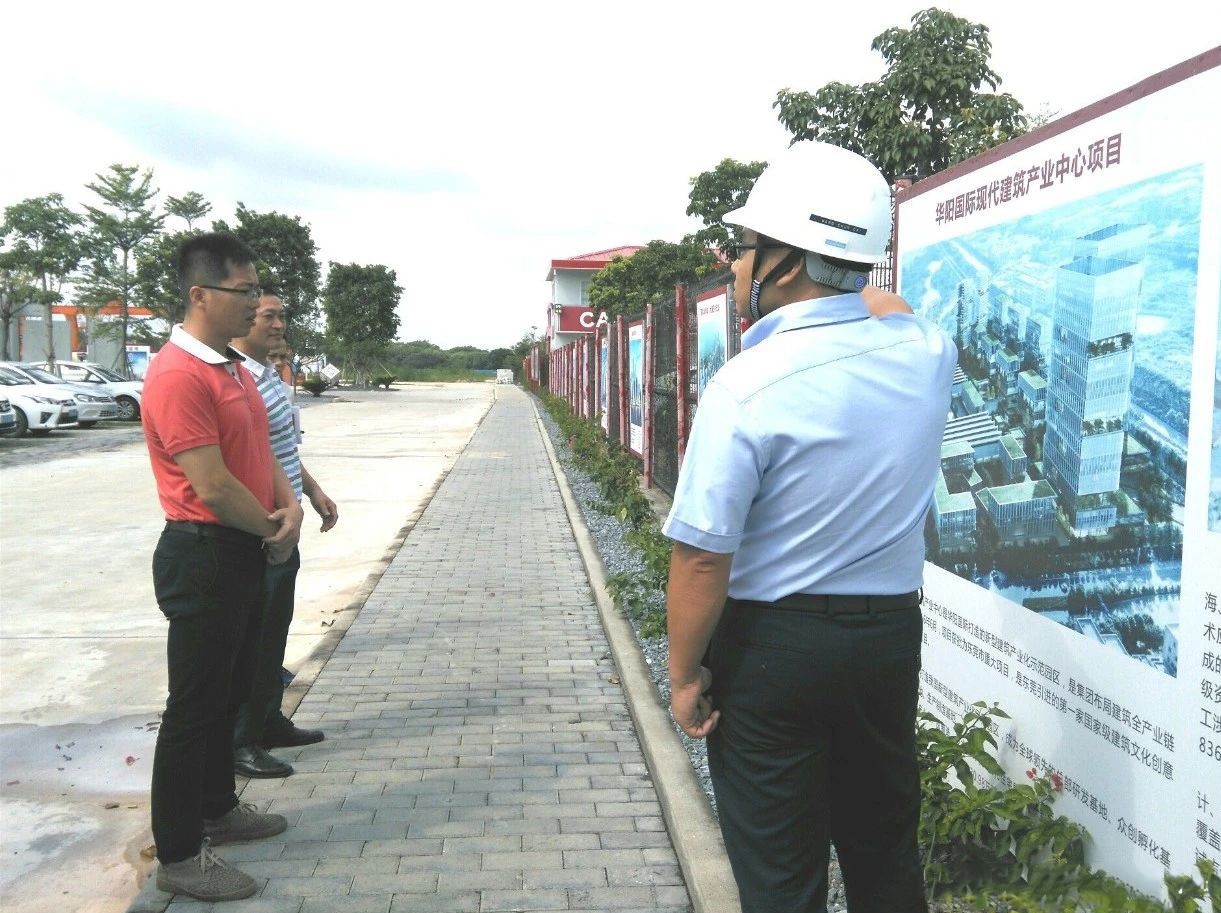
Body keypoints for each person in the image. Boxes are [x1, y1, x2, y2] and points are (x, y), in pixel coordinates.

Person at [663, 141, 957, 913]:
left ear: (784, 262)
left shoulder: (746, 385)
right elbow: (885, 307)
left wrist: (685, 674)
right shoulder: (925, 355)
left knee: (780, 876)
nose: (732, 264)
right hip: (886, 644)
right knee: (884, 853)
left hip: (771, 655)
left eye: (745, 248)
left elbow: (700, 558)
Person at [142, 232, 304, 902]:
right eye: (243, 291)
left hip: (243, 546)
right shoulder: (177, 374)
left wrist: (289, 502)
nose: (253, 303)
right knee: (194, 706)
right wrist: (272, 529)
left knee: (229, 692)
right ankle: (180, 851)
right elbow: (209, 484)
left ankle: (217, 806)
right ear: (200, 294)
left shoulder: (231, 368)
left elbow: (261, 450)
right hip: (205, 550)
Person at [231, 292, 337, 778]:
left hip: (288, 515)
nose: (279, 324)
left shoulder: (267, 374)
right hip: (265, 524)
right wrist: (273, 516)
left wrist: (311, 490)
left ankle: (268, 719)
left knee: (274, 631)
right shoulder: (238, 379)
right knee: (253, 638)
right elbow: (243, 458)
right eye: (269, 316)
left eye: (281, 316)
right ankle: (240, 740)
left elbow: (281, 449)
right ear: (242, 319)